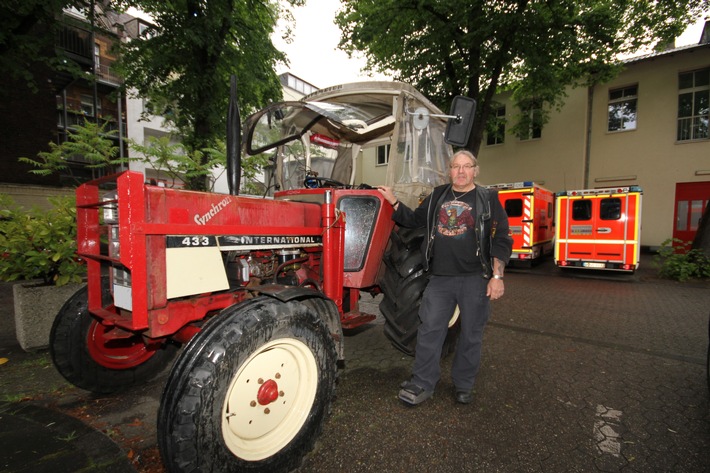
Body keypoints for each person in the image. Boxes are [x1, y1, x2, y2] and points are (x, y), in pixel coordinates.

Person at [377, 150, 513, 405]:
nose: (461, 171)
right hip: (440, 278)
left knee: (471, 334)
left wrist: (497, 275)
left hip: (475, 278)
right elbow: (416, 220)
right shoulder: (438, 195)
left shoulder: (488, 198)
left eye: (467, 166)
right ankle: (423, 382)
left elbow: (502, 238)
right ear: (449, 170)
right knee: (429, 331)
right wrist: (394, 201)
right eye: (455, 166)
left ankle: (463, 384)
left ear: (476, 170)